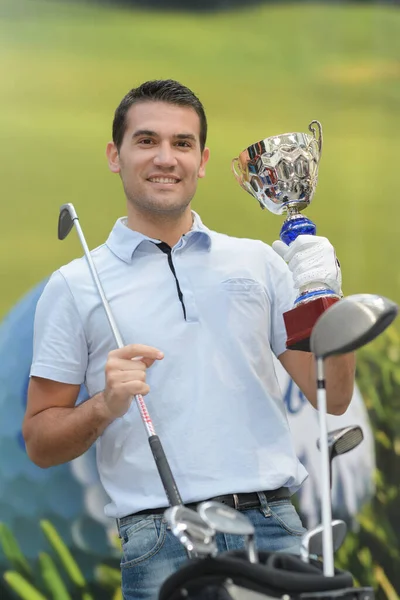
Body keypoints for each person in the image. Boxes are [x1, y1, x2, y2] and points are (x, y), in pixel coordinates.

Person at [23, 79, 355, 600]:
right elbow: (41, 441)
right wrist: (104, 406)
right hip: (160, 537)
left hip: (273, 525)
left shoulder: (260, 262)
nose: (166, 158)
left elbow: (331, 396)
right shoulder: (74, 284)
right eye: (146, 140)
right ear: (116, 155)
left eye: (182, 144)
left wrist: (327, 303)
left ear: (201, 161)